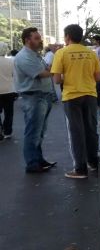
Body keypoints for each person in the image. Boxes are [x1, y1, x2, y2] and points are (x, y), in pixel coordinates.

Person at [51, 24, 100, 179]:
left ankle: (80, 169)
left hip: (71, 97)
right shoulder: (91, 53)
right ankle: (93, 162)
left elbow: (56, 78)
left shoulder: (61, 53)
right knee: (91, 129)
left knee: (76, 132)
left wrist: (69, 77)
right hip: (90, 95)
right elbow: (99, 77)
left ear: (67, 37)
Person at [14, 27, 57, 173]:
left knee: (39, 131)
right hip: (34, 97)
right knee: (33, 131)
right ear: (27, 40)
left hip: (42, 96)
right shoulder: (24, 56)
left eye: (39, 38)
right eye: (36, 38)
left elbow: (47, 69)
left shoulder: (34, 55)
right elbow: (43, 73)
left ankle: (38, 160)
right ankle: (32, 163)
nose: (40, 40)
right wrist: (56, 68)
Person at [0, 53, 16, 141]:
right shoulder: (11, 61)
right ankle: (7, 131)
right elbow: (15, 75)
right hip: (9, 90)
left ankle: (0, 129)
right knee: (9, 112)